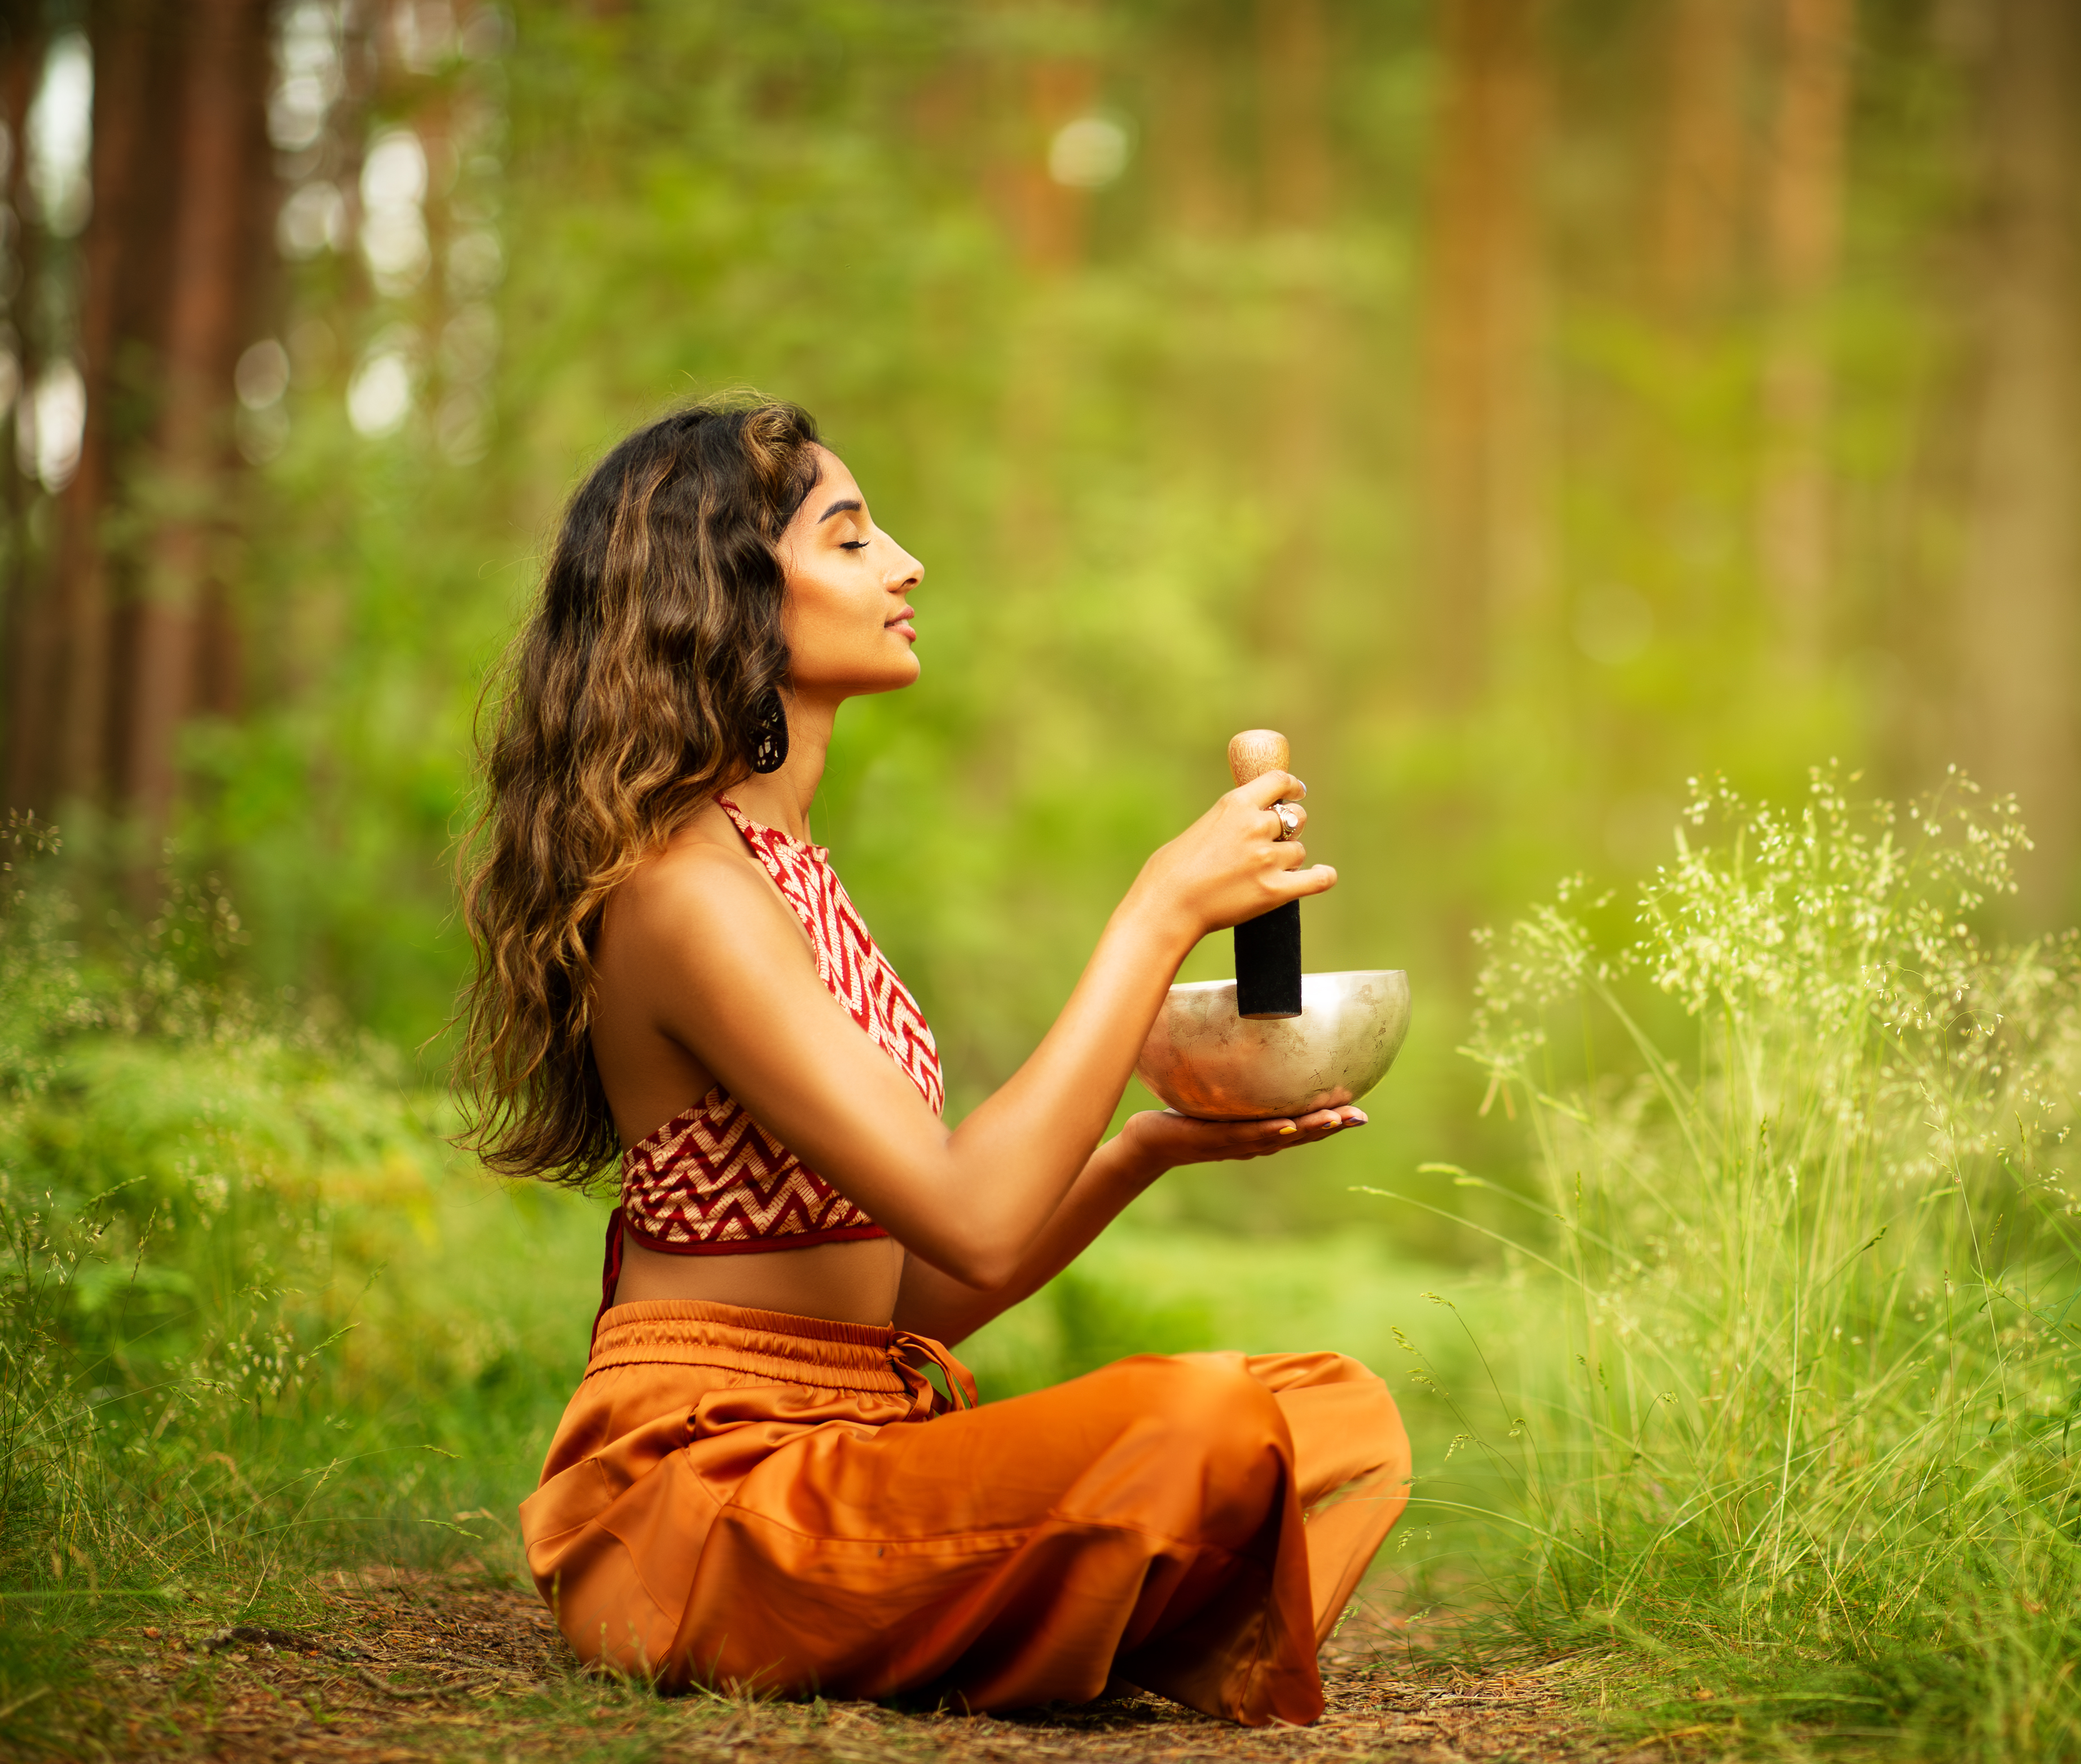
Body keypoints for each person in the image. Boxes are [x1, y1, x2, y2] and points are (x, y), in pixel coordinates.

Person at [455, 397, 1409, 1725]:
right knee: (1203, 1431)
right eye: (851, 539)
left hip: (854, 1436)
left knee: (1324, 1414)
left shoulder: (781, 871)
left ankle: (1013, 1593)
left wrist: (1146, 1148)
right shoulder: (686, 891)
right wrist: (1158, 911)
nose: (905, 565)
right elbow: (972, 1207)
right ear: (727, 597)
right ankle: (1018, 1597)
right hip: (707, 1500)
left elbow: (906, 1297)